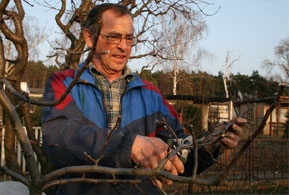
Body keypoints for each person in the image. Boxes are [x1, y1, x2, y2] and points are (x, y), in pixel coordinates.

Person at [41, 3, 246, 194]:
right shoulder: (64, 84)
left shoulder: (152, 95)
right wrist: (129, 146)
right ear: (89, 37)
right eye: (114, 37)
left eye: (129, 38)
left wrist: (210, 145)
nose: (124, 46)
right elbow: (59, 140)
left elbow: (177, 157)